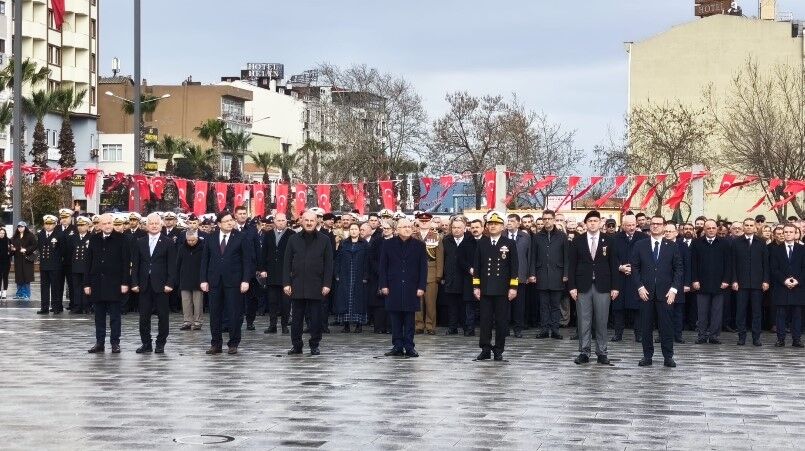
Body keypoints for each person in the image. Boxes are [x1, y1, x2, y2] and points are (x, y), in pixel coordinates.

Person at [568, 210, 619, 365]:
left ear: (600, 223)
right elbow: (571, 266)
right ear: (585, 223)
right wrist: (572, 287)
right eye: (589, 221)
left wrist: (615, 287)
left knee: (602, 320)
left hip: (603, 286)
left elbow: (614, 265)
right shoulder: (577, 241)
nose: (592, 223)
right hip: (583, 286)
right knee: (584, 321)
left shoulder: (609, 241)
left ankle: (602, 352)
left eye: (595, 221)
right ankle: (584, 352)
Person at [631, 215, 683, 368]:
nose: (655, 226)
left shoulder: (672, 246)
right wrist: (639, 287)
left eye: (658, 224)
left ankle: (668, 356)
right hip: (645, 293)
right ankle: (647, 356)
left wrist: (674, 289)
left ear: (664, 226)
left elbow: (678, 269)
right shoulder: (640, 245)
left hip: (666, 293)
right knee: (646, 326)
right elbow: (635, 267)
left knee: (666, 326)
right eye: (653, 224)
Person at [200, 211, 254, 355]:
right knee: (215, 313)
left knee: (234, 313)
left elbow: (247, 261)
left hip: (234, 281)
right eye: (226, 221)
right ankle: (216, 343)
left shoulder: (241, 237)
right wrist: (203, 279)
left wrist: (245, 280)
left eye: (231, 220)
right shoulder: (210, 238)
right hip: (214, 281)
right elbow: (205, 260)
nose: (230, 223)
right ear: (219, 224)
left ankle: (233, 343)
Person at [284, 210, 334, 356]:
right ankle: (296, 345)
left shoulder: (324, 240)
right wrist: (286, 283)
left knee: (316, 318)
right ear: (301, 221)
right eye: (306, 220)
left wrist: (327, 284)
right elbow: (286, 262)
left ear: (317, 221)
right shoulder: (293, 239)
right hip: (297, 284)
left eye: (312, 221)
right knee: (297, 319)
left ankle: (314, 344)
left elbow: (329, 264)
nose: (309, 223)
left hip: (317, 285)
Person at [472, 211, 518, 361]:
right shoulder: (482, 243)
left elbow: (514, 267)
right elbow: (477, 266)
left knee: (501, 321)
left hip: (503, 289)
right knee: (484, 321)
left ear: (502, 226)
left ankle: (499, 350)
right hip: (485, 288)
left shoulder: (509, 243)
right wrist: (476, 286)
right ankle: (485, 349)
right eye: (490, 224)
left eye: (496, 224)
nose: (492, 226)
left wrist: (513, 287)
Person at [379, 218, 427, 357]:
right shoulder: (388, 244)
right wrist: (383, 285)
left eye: (409, 226)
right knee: (395, 318)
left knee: (409, 319)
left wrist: (421, 286)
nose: (407, 229)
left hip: (412, 287)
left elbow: (423, 268)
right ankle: (397, 346)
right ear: (397, 229)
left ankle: (409, 346)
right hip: (393, 286)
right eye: (404, 226)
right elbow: (383, 267)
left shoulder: (419, 245)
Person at [131, 213, 177, 354]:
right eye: (151, 223)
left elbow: (172, 265)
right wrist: (134, 283)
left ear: (161, 224)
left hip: (162, 285)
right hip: (144, 285)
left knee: (163, 316)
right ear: (146, 225)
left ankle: (160, 343)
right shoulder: (140, 242)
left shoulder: (168, 242)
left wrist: (170, 283)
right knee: (144, 317)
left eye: (157, 223)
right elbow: (135, 265)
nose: (154, 226)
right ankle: (146, 343)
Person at [85, 213, 131, 354]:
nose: (107, 226)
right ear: (99, 225)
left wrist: (125, 282)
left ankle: (115, 343)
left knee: (115, 317)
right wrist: (87, 284)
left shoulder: (122, 239)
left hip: (115, 283)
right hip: (97, 283)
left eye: (109, 223)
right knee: (99, 316)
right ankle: (100, 343)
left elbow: (125, 262)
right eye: (104, 223)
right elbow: (88, 262)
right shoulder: (93, 239)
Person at [691, 219, 732, 345]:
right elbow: (693, 263)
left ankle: (714, 336)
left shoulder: (725, 243)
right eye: (708, 228)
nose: (711, 230)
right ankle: (702, 335)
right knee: (702, 312)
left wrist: (726, 280)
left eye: (713, 228)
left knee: (717, 312)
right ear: (704, 229)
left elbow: (729, 264)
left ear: (717, 229)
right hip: (701, 283)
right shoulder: (697, 243)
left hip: (719, 283)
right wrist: (694, 280)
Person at [731, 218, 769, 346]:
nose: (748, 227)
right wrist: (734, 280)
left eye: (751, 225)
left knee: (757, 312)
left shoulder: (761, 242)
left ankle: (756, 337)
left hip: (758, 283)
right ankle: (741, 337)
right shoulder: (736, 242)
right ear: (743, 226)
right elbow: (733, 264)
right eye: (746, 225)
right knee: (740, 311)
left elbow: (766, 263)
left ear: (755, 227)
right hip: (741, 284)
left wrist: (766, 280)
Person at [611, 214, 648, 342]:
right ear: (623, 226)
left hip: (636, 278)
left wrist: (636, 268)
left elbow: (647, 257)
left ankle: (639, 334)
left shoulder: (643, 238)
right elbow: (611, 258)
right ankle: (618, 334)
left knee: (638, 308)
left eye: (633, 225)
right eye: (628, 225)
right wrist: (620, 267)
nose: (631, 228)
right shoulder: (615, 238)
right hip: (620, 278)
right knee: (618, 308)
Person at [532, 209, 568, 340]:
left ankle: (555, 330)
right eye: (544, 219)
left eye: (549, 218)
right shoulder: (537, 237)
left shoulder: (562, 236)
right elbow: (532, 257)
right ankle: (544, 329)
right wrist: (532, 273)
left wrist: (565, 273)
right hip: (541, 274)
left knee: (555, 305)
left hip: (557, 274)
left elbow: (566, 257)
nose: (546, 221)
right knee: (543, 305)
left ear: (553, 220)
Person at [769, 224, 805, 348]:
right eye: (786, 232)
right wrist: (784, 280)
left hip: (798, 287)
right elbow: (774, 269)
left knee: (797, 315)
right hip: (781, 286)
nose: (788, 234)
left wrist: (797, 281)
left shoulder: (802, 249)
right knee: (780, 315)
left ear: (796, 233)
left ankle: (797, 340)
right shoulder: (776, 249)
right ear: (782, 234)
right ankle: (780, 339)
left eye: (791, 232)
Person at [259, 212, 294, 334]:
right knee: (272, 301)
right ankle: (272, 325)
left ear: (286, 222)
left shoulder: (292, 234)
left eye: (283, 221)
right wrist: (262, 269)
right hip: (271, 273)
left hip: (286, 274)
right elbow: (263, 253)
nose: (281, 223)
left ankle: (285, 325)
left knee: (286, 302)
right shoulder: (268, 234)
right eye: (278, 221)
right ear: (274, 221)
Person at [333, 223, 370, 333]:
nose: (353, 231)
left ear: (359, 231)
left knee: (359, 299)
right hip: (345, 274)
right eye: (352, 229)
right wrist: (337, 274)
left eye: (356, 229)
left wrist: (366, 275)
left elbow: (367, 262)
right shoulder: (344, 243)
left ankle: (359, 325)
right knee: (345, 298)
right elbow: (338, 260)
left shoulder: (364, 244)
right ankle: (346, 325)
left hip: (359, 275)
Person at [442, 217, 473, 335]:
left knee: (464, 305)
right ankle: (452, 327)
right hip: (450, 277)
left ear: (464, 228)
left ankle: (466, 327)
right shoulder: (446, 240)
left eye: (459, 227)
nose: (456, 230)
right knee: (452, 305)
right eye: (454, 227)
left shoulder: (470, 241)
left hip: (465, 278)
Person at [414, 212, 443, 335]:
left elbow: (440, 257)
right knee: (417, 302)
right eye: (422, 221)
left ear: (431, 222)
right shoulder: (413, 236)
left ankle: (430, 326)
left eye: (426, 221)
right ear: (418, 222)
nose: (424, 223)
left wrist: (439, 274)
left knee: (430, 302)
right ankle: (418, 325)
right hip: (415, 273)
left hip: (431, 272)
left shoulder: (436, 237)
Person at [505, 214, 532, 338]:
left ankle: (518, 329)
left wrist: (529, 274)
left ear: (518, 223)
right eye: (508, 221)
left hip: (520, 275)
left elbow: (529, 256)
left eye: (512, 221)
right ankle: (504, 328)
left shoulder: (525, 237)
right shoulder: (502, 235)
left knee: (519, 304)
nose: (509, 223)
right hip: (504, 276)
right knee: (505, 304)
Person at [37, 215, 65, 314]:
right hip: (44, 265)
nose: (48, 226)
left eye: (50, 224)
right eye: (46, 224)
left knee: (55, 287)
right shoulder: (41, 234)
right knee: (44, 287)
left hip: (55, 265)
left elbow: (62, 250)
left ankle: (56, 307)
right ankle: (44, 307)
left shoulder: (59, 235)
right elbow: (40, 248)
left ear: (55, 224)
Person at [176, 230, 204, 331]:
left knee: (198, 302)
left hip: (198, 279)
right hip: (185, 278)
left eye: (193, 240)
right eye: (189, 240)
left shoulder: (202, 248)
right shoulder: (182, 248)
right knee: (186, 302)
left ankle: (198, 321)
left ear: (197, 238)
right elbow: (178, 264)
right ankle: (187, 321)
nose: (191, 242)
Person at [66, 216, 92, 314]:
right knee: (76, 287)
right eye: (79, 225)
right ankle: (77, 306)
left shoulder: (91, 237)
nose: (80, 227)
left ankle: (87, 306)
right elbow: (70, 252)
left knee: (87, 287)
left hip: (86, 267)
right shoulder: (73, 237)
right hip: (76, 266)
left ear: (87, 226)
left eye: (83, 225)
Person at [11, 222, 36, 301]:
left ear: (25, 227)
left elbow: (35, 245)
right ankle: (19, 294)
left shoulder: (30, 236)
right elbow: (12, 247)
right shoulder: (15, 237)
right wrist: (13, 249)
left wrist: (26, 249)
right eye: (18, 227)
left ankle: (26, 294)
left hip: (27, 260)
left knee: (26, 277)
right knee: (19, 277)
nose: (20, 228)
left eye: (22, 227)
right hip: (18, 259)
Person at [0, 227, 10, 300]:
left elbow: (13, 250)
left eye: (3, 233)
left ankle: (5, 292)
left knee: (5, 277)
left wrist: (9, 253)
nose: (2, 234)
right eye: (0, 233)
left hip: (6, 261)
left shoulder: (8, 240)